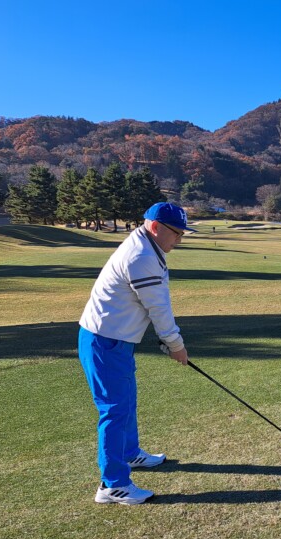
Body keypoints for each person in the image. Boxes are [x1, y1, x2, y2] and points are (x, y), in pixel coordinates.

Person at [78, 202, 195, 504]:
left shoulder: (147, 246)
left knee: (126, 401)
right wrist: (176, 346)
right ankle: (112, 485)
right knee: (114, 411)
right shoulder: (141, 256)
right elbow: (158, 308)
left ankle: (130, 454)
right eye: (176, 233)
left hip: (116, 340)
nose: (178, 240)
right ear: (155, 227)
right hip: (104, 342)